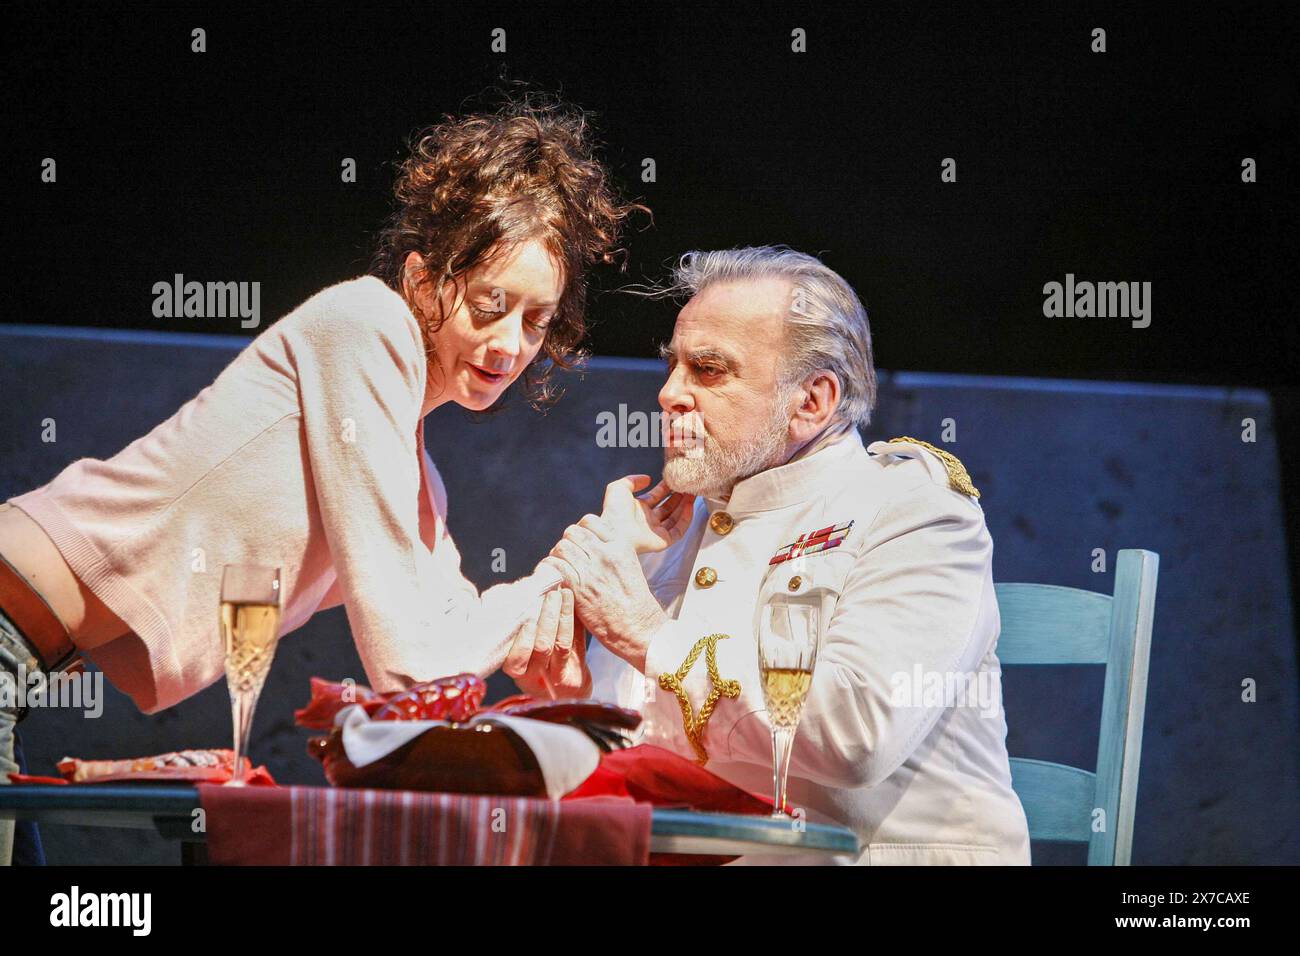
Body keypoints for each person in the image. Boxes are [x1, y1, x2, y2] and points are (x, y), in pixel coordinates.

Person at [0, 93, 692, 865]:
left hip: (21, 660)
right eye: (491, 303)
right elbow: (415, 664)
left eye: (536, 321)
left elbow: (440, 672)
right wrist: (573, 566)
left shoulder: (418, 475)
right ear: (423, 277)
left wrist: (587, 576)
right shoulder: (367, 327)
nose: (509, 344)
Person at [542, 245, 1033, 864]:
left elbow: (854, 733)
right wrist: (569, 689)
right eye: (673, 366)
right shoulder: (668, 524)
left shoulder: (917, 513)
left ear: (813, 401)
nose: (670, 393)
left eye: (709, 369)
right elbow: (640, 758)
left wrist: (642, 631)